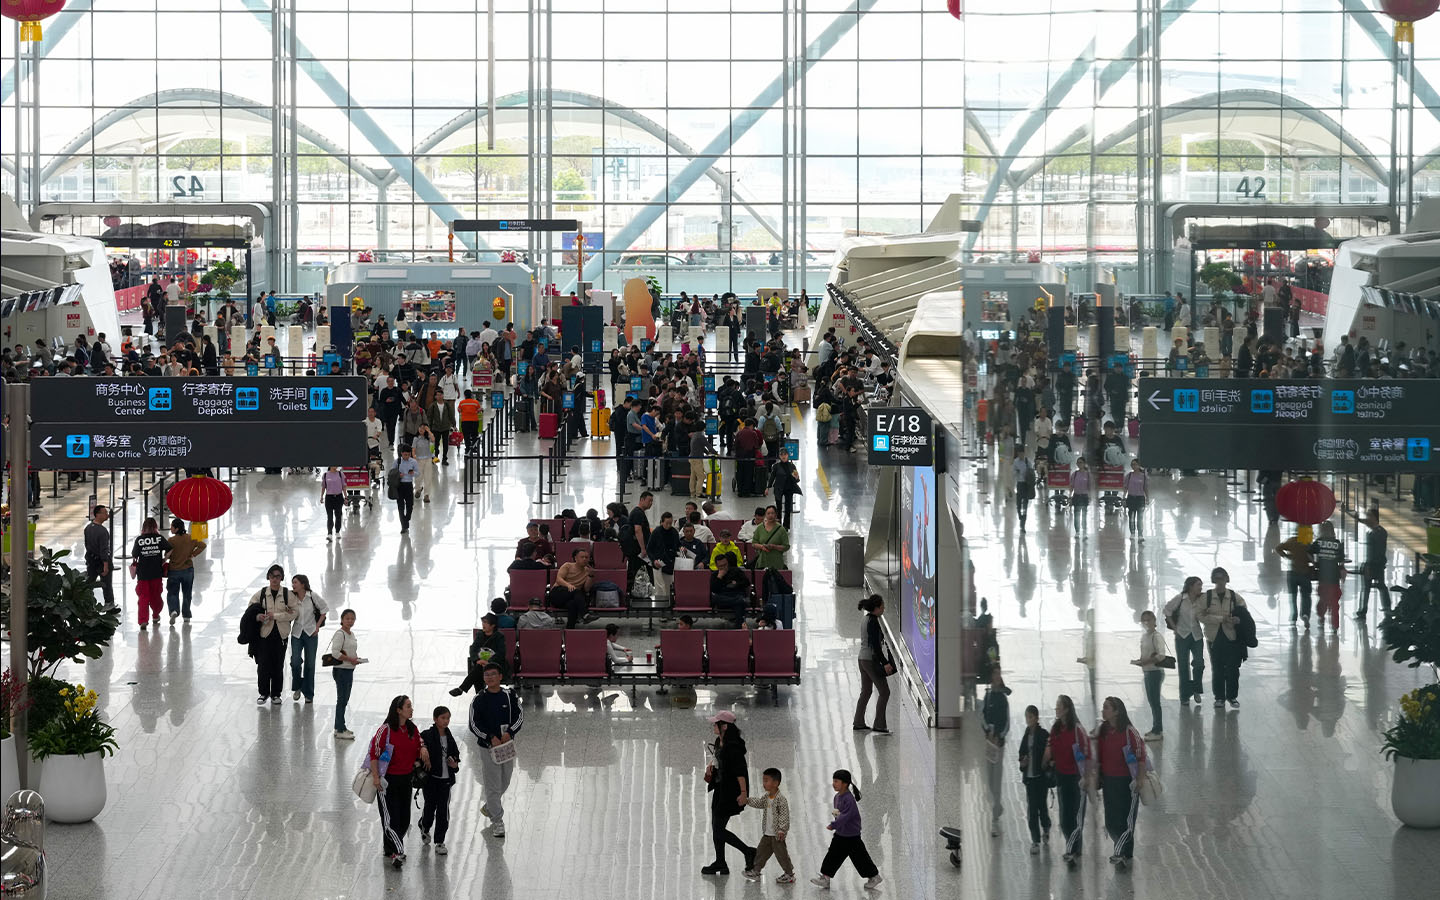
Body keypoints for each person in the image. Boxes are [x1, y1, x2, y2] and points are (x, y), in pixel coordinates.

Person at [369, 695, 429, 868]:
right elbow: (374, 754)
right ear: (398, 710)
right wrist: (375, 777)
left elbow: (419, 742)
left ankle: (391, 849)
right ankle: (398, 851)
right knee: (390, 819)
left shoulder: (411, 728)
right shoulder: (385, 730)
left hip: (406, 779)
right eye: (408, 706)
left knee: (404, 819)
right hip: (387, 780)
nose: (411, 709)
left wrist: (423, 748)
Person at [468, 663, 523, 838]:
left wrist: (510, 732)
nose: (490, 677)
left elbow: (519, 716)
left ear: (500, 676)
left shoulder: (509, 695)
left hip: (506, 745)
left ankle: (490, 806)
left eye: (493, 674)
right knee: (492, 785)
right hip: (488, 747)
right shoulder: (478, 699)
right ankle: (497, 820)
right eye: (487, 675)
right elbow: (474, 724)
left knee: (505, 780)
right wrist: (489, 737)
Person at [1093, 697, 1147, 869]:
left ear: (1117, 711)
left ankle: (1120, 852)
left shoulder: (1130, 732)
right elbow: (1098, 755)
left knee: (1126, 820)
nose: (1103, 711)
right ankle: (1124, 852)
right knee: (1111, 821)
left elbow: (1141, 757)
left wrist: (1139, 780)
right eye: (1103, 707)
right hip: (1109, 781)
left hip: (1127, 783)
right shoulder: (1103, 730)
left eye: (1107, 708)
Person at [702, 711, 755, 876]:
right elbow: (721, 761)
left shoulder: (733, 746)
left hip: (731, 791)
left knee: (718, 829)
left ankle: (748, 851)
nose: (713, 725)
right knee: (716, 826)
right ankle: (721, 862)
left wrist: (744, 793)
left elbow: (740, 771)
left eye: (715, 723)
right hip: (720, 787)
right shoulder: (720, 741)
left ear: (724, 726)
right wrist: (712, 769)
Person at [810, 769, 881, 890]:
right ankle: (826, 878)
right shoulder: (837, 797)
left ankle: (874, 876)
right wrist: (837, 819)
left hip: (851, 836)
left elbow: (845, 816)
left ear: (845, 784)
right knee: (833, 855)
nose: (834, 783)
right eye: (833, 781)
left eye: (837, 781)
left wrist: (834, 824)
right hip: (841, 834)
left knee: (860, 858)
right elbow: (839, 814)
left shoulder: (849, 799)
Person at [1042, 694, 1091, 867]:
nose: (1056, 708)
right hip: (1062, 777)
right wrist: (1046, 761)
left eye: (1059, 706)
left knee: (1076, 814)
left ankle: (1073, 849)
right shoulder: (1055, 728)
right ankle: (1072, 847)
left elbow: (1086, 753)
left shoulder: (1077, 730)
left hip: (1077, 778)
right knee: (1064, 817)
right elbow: (1050, 748)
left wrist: (1087, 776)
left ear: (1067, 709)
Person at [250, 565, 297, 704]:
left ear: (281, 577)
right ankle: (263, 693)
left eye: (277, 576)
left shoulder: (288, 594)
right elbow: (251, 609)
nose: (274, 579)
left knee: (278, 665)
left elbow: (294, 612)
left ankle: (276, 694)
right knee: (263, 665)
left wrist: (276, 616)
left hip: (281, 635)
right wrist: (259, 616)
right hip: (264, 634)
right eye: (272, 576)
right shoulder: (262, 593)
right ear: (268, 577)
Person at [1200, 567, 1246, 709]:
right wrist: (1220, 619)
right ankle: (1219, 697)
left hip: (1231, 637)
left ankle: (1232, 697)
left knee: (1233, 669)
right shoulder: (1206, 597)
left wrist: (1237, 620)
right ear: (1214, 580)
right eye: (1217, 578)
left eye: (1222, 578)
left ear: (1227, 579)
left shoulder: (1234, 597)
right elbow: (1200, 616)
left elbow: (1244, 615)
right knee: (1218, 668)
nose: (1220, 581)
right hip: (1214, 637)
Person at [419, 706, 462, 855]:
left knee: (443, 811)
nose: (446, 721)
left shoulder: (450, 737)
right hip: (431, 780)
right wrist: (423, 748)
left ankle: (440, 841)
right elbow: (418, 743)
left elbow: (456, 755)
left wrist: (454, 764)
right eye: (443, 718)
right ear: (435, 719)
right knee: (430, 808)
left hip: (446, 781)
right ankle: (424, 826)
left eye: (448, 718)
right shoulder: (427, 735)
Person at [743, 767, 795, 884]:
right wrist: (748, 801)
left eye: (767, 780)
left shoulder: (781, 799)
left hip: (777, 835)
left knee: (782, 855)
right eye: (763, 780)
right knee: (761, 853)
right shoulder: (767, 797)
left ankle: (789, 874)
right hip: (767, 833)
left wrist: (782, 830)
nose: (764, 783)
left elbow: (784, 815)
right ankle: (756, 871)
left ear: (776, 783)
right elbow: (760, 803)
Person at [852, 595, 894, 735]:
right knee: (884, 691)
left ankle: (858, 722)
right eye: (882, 606)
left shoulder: (865, 619)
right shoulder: (874, 622)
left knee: (866, 691)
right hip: (870, 660)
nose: (884, 608)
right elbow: (876, 646)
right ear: (876, 608)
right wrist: (886, 662)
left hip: (862, 659)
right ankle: (879, 725)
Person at [1163, 576, 1206, 707]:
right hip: (1182, 636)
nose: (1200, 587)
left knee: (1199, 663)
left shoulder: (1202, 600)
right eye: (1198, 585)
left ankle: (1196, 688)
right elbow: (1167, 610)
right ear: (1191, 586)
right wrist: (1175, 628)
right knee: (1183, 666)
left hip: (1197, 635)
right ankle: (1185, 696)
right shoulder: (1180, 599)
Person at [1017, 704, 1052, 854]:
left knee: (1041, 807)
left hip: (1041, 778)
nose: (1028, 720)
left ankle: (1046, 826)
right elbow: (1021, 753)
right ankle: (1035, 841)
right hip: (1030, 779)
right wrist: (1022, 762)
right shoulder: (1026, 735)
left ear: (1036, 718)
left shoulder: (1043, 734)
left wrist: (1047, 763)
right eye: (1026, 717)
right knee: (1032, 810)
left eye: (1030, 717)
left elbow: (1050, 752)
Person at [981, 668, 1012, 835]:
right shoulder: (988, 697)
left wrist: (999, 737)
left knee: (997, 777)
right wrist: (988, 732)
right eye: (994, 676)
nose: (996, 679)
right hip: (989, 743)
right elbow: (983, 716)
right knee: (989, 776)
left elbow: (1007, 722)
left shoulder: (1003, 699)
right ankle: (996, 805)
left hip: (998, 744)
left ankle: (994, 814)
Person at [130, 517, 171, 631]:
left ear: (143, 527)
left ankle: (143, 620)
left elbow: (134, 554)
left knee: (143, 597)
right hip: (156, 572)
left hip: (143, 573)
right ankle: (155, 615)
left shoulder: (139, 539)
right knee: (156, 595)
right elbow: (170, 549)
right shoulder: (159, 538)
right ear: (155, 527)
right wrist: (164, 559)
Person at [450, 614, 508, 695]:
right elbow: (473, 649)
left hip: (495, 664)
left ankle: (464, 689)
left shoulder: (499, 636)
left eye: (486, 622)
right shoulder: (480, 635)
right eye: (483, 622)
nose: (483, 625)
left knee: (478, 670)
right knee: (479, 670)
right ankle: (478, 695)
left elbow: (501, 653)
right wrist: (477, 660)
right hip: (480, 663)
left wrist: (489, 662)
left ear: (493, 625)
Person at [1132, 611, 1168, 741]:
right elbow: (1145, 654)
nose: (1146, 623)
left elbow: (1161, 655)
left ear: (1154, 620)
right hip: (1147, 671)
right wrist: (1140, 661)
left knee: (1155, 702)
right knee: (1152, 702)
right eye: (1144, 621)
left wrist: (1146, 662)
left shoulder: (1156, 636)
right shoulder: (1145, 636)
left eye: (1148, 620)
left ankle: (1158, 731)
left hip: (1155, 672)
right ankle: (1155, 728)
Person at [329, 608, 363, 739]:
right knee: (341, 699)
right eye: (347, 618)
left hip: (349, 669)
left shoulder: (351, 634)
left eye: (352, 619)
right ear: (342, 620)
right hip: (341, 670)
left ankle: (341, 726)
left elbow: (350, 651)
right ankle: (339, 729)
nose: (350, 621)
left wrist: (356, 659)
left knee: (345, 699)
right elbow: (335, 653)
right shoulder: (340, 634)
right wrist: (350, 659)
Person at [164, 517, 205, 624]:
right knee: (187, 593)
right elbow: (203, 545)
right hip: (188, 570)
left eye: (172, 526)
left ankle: (173, 610)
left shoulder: (171, 541)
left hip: (174, 570)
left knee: (173, 592)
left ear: (176, 529)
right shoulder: (191, 537)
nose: (171, 528)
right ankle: (186, 614)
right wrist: (193, 554)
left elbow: (167, 555)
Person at [1275, 528, 1314, 628]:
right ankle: (1305, 614)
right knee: (1306, 596)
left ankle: (1293, 617)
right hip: (1305, 573)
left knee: (1293, 597)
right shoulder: (1308, 543)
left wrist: (1287, 556)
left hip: (1293, 573)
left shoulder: (1292, 541)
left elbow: (1278, 548)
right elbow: (1313, 559)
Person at [1356, 508, 1391, 620]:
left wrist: (1368, 566)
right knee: (1380, 586)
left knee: (1366, 589)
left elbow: (1376, 552)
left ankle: (1362, 612)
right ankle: (1387, 608)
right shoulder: (1380, 531)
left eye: (1369, 516)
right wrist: (1356, 518)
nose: (1366, 518)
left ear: (1374, 518)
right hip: (1378, 565)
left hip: (1372, 565)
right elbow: (1366, 522)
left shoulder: (1375, 534)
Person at [1311, 521, 1346, 632]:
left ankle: (1321, 617)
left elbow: (1309, 552)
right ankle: (1335, 626)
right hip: (1334, 578)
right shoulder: (1337, 543)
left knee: (1323, 600)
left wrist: (1314, 562)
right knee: (1335, 603)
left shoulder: (1319, 542)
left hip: (1322, 576)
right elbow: (1341, 561)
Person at [551, 547, 595, 628]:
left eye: (586, 557)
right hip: (558, 593)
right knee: (576, 591)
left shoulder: (587, 571)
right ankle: (585, 614)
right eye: (582, 557)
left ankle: (570, 630)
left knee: (573, 604)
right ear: (575, 558)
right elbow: (559, 579)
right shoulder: (567, 565)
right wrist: (568, 585)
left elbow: (586, 589)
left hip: (571, 597)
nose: (585, 559)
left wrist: (591, 575)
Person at [84, 505, 116, 607]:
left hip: (91, 560)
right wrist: (106, 565)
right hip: (102, 562)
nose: (107, 515)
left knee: (90, 583)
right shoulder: (102, 531)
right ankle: (109, 604)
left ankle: (87, 603)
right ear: (98, 514)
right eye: (105, 513)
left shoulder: (88, 528)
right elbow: (104, 549)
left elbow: (87, 544)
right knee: (106, 584)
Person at [710, 555, 752, 628]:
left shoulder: (736, 571)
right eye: (721, 566)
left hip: (735, 594)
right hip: (723, 597)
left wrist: (736, 584)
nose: (724, 567)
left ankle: (739, 629)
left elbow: (746, 582)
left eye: (725, 565)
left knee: (738, 605)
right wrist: (719, 577)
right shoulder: (715, 575)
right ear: (717, 566)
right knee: (715, 598)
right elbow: (714, 590)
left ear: (728, 563)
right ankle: (741, 601)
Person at [767, 448, 802, 529]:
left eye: (785, 455)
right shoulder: (776, 466)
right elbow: (772, 477)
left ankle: (786, 526)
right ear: (779, 456)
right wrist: (768, 487)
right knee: (778, 508)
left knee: (787, 509)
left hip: (789, 488)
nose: (783, 456)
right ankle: (778, 525)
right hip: (778, 489)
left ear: (788, 456)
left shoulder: (792, 466)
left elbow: (796, 478)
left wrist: (796, 477)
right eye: (781, 455)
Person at [751, 505, 790, 571]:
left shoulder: (781, 529)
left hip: (776, 563)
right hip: (762, 562)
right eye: (768, 513)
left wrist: (774, 547)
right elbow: (754, 543)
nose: (770, 515)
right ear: (765, 515)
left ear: (776, 515)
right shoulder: (760, 528)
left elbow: (786, 546)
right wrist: (762, 547)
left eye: (772, 513)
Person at [394, 445, 418, 532]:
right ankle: (403, 526)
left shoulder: (413, 462)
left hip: (409, 485)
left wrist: (413, 473)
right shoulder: (397, 462)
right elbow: (392, 473)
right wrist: (398, 475)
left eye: (408, 455)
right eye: (404, 455)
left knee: (410, 505)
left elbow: (418, 473)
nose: (406, 457)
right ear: (401, 454)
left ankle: (407, 519)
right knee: (400, 506)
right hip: (399, 485)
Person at [1122, 459, 1148, 540]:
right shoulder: (1129, 476)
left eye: (1135, 464)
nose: (1134, 466)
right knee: (1131, 517)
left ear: (1139, 465)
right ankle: (1132, 533)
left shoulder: (1143, 476)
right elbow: (1125, 487)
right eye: (1132, 464)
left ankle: (1140, 534)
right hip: (1131, 498)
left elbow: (1145, 488)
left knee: (1140, 517)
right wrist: (1124, 497)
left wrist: (1147, 498)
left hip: (1140, 498)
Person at [320, 466, 346, 539]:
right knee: (330, 516)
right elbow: (323, 487)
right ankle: (329, 533)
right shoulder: (325, 475)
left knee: (338, 515)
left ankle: (337, 531)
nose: (336, 466)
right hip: (329, 498)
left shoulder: (341, 474)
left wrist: (346, 497)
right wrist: (321, 496)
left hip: (338, 497)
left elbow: (344, 486)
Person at [1014, 453, 1036, 531]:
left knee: (1025, 503)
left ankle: (1023, 523)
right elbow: (1013, 474)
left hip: (1027, 484)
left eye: (1022, 454)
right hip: (1020, 484)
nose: (1021, 456)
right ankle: (1020, 515)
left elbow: (1032, 471)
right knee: (1019, 503)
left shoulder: (1027, 461)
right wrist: (1016, 472)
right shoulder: (1015, 462)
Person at [1069, 458, 1092, 530]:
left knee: (1084, 515)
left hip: (1084, 497)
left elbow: (1090, 487)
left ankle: (1084, 530)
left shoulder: (1088, 475)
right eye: (1078, 463)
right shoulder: (1074, 474)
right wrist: (1069, 496)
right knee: (1076, 515)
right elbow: (1071, 486)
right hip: (1076, 496)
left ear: (1084, 464)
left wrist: (1090, 497)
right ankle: (1077, 531)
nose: (1079, 464)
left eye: (1081, 462)